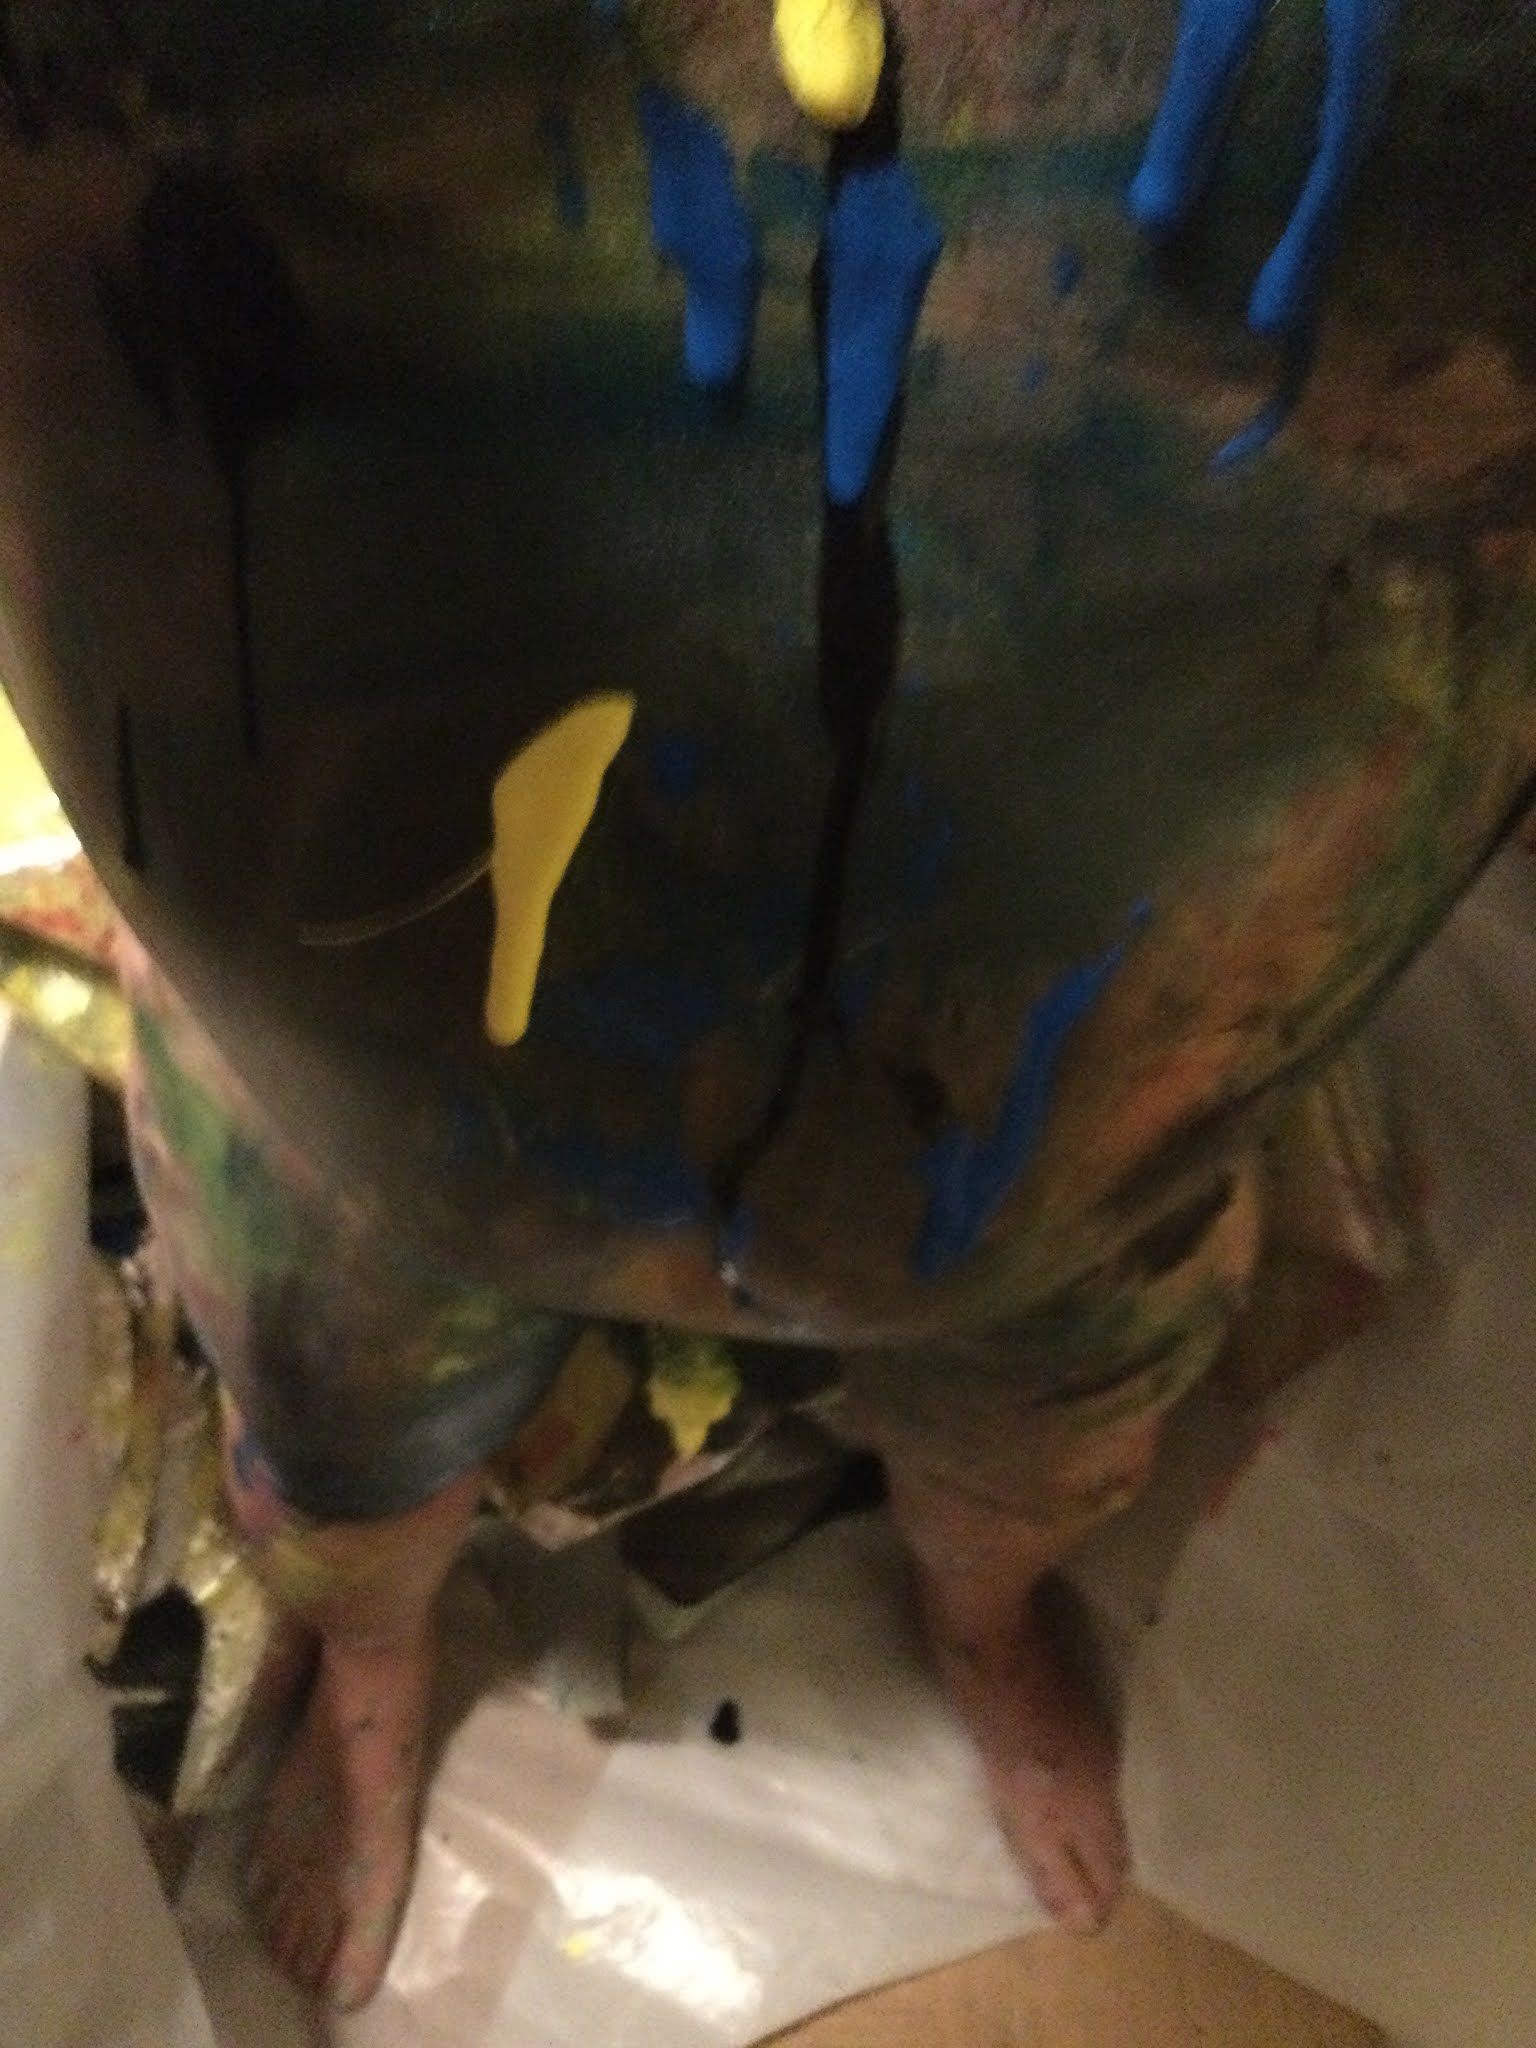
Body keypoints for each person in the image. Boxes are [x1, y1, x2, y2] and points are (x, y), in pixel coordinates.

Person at [2, 0, 1533, 2011]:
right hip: (358, 997)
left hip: (1120, 992)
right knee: (345, 1425)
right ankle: (375, 1673)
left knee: (1052, 1404)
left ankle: (978, 1605)